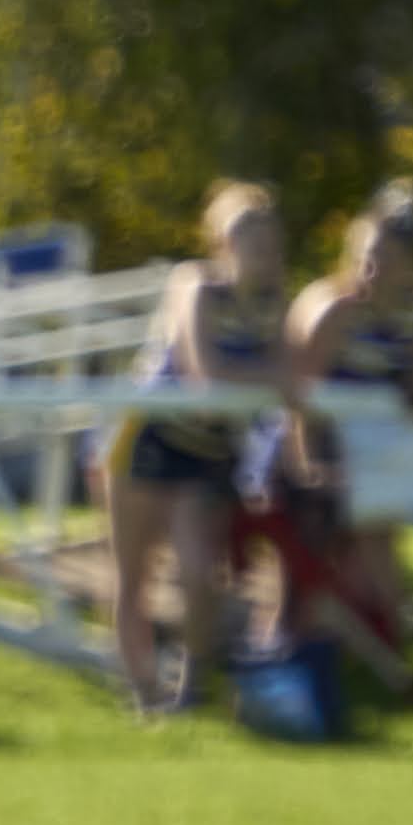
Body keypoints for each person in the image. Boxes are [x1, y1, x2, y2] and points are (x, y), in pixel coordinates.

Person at [105, 181, 293, 718]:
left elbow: (291, 381)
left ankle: (189, 690)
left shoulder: (275, 300)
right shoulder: (193, 285)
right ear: (223, 245)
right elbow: (202, 379)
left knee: (197, 569)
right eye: (251, 246)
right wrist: (260, 380)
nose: (263, 258)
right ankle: (142, 694)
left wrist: (259, 381)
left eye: (271, 247)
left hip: (208, 452)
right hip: (150, 438)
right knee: (133, 573)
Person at [286, 183, 413, 673]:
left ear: (410, 262)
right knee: (357, 543)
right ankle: (383, 650)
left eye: (385, 258)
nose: (370, 271)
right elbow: (296, 397)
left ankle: (380, 651)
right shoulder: (333, 308)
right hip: (317, 449)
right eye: (364, 257)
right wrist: (308, 466)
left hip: (376, 452)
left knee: (376, 541)